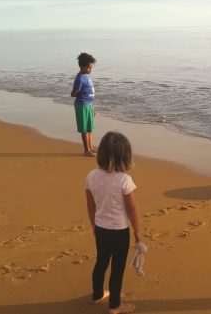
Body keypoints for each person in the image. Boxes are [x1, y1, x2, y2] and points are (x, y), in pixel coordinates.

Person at [85, 131, 142, 313]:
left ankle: (97, 295)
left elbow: (90, 205)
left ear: (101, 153)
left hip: (101, 228)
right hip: (119, 231)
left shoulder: (91, 176)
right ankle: (115, 306)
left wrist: (94, 225)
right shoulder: (124, 180)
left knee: (101, 261)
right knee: (117, 268)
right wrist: (138, 232)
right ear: (124, 157)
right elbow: (132, 209)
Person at [71, 52, 97, 156]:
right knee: (84, 129)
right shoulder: (79, 79)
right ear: (82, 67)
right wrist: (75, 93)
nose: (90, 69)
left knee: (90, 128)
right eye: (88, 67)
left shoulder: (86, 76)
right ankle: (87, 150)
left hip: (89, 105)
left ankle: (91, 147)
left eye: (91, 67)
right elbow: (74, 93)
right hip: (82, 105)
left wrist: (92, 109)